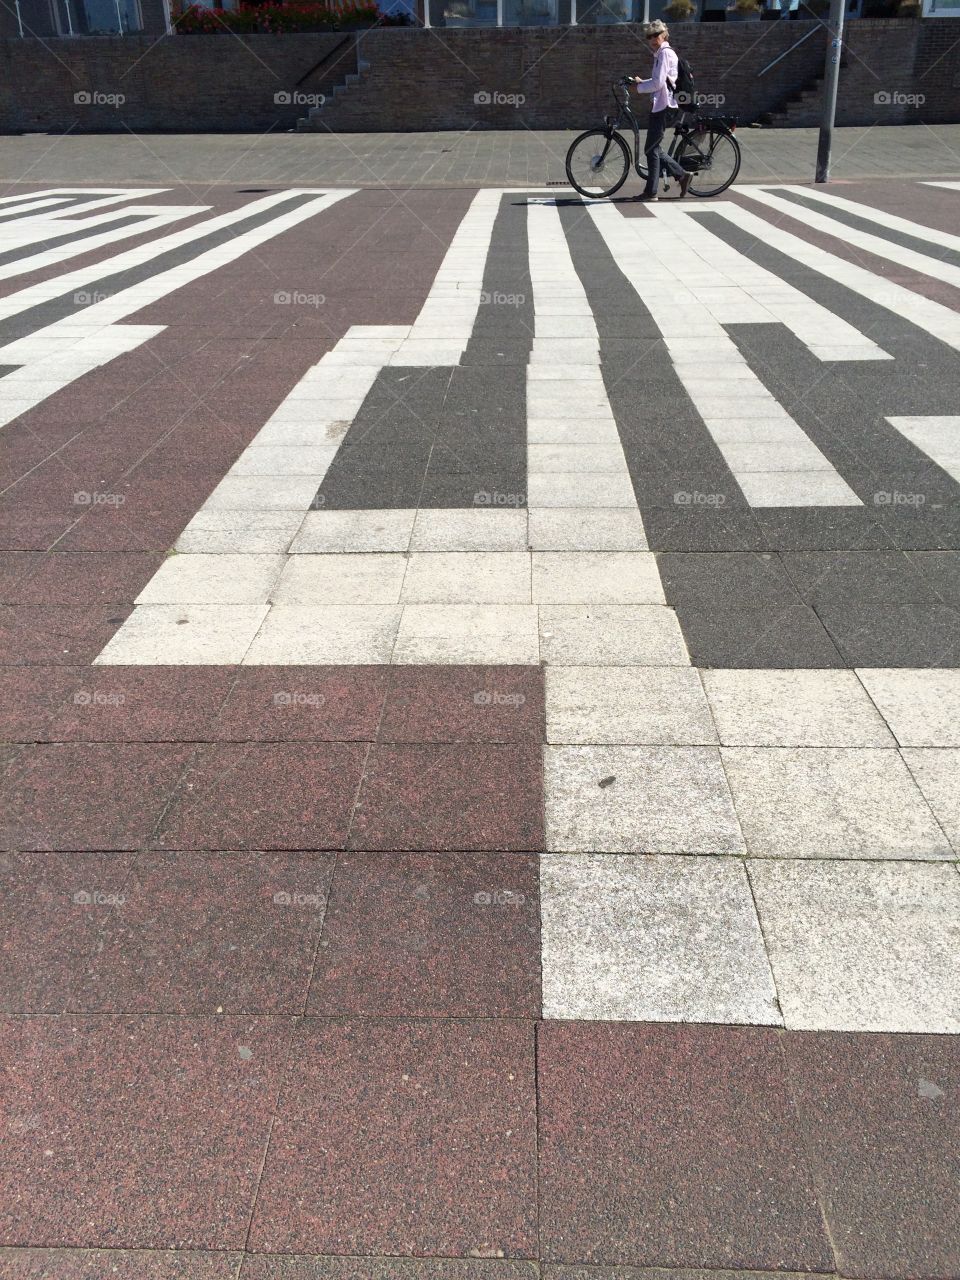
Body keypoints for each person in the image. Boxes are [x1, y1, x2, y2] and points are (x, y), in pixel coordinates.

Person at [629, 20, 690, 202]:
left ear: (664, 34)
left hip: (665, 106)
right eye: (649, 36)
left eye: (656, 35)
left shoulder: (664, 53)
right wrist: (642, 82)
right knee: (653, 148)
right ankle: (681, 175)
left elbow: (658, 83)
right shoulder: (661, 54)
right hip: (662, 105)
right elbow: (658, 79)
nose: (653, 39)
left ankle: (652, 192)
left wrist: (638, 88)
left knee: (651, 149)